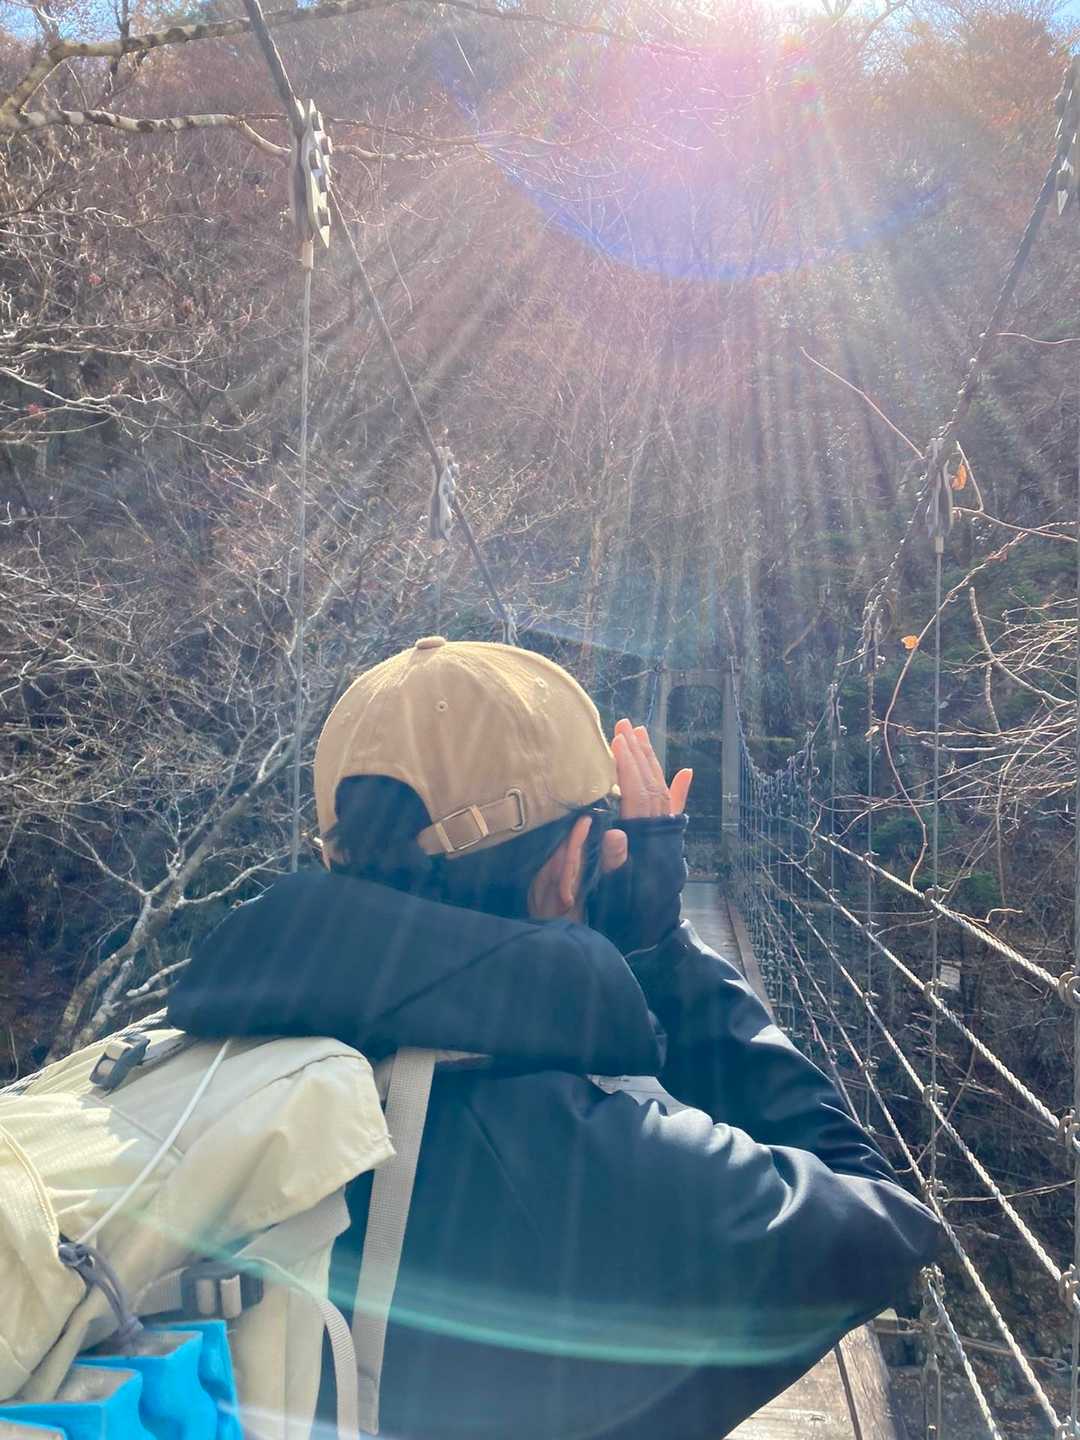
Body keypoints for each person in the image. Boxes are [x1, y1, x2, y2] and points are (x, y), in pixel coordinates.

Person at [167, 637, 941, 1440]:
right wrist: (661, 951)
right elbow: (880, 1220)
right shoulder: (596, 1172)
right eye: (599, 833)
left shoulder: (184, 1058)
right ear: (574, 862)